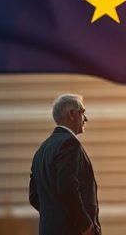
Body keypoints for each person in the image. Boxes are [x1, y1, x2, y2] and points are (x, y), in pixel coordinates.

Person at [30, 94, 101, 235]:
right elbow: (67, 186)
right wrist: (85, 224)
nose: (86, 118)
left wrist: (55, 215)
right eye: (83, 112)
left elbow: (33, 196)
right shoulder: (69, 143)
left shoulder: (41, 150)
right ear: (72, 114)